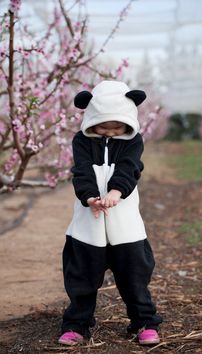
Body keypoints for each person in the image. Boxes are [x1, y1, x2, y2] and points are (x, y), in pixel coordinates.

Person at [58, 80, 163, 346]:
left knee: (134, 275)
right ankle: (77, 324)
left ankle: (144, 322)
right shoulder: (82, 141)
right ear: (90, 119)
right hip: (88, 221)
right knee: (81, 275)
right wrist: (90, 198)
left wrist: (116, 193)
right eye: (103, 126)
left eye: (118, 127)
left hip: (124, 221)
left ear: (128, 122)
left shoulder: (132, 141)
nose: (110, 133)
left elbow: (130, 167)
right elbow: (81, 170)